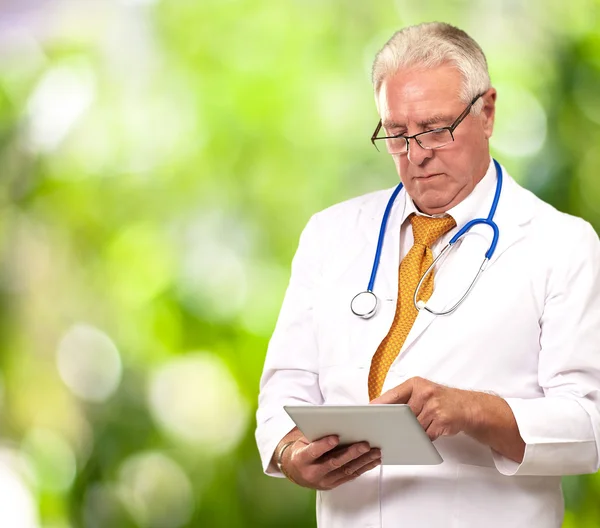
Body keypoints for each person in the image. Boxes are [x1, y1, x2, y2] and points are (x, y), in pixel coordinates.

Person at [255, 22, 600, 528]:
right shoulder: (330, 234)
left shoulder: (560, 244)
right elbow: (286, 386)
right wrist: (288, 452)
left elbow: (589, 428)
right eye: (396, 134)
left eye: (437, 129)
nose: (416, 155)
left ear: (487, 112)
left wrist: (472, 410)